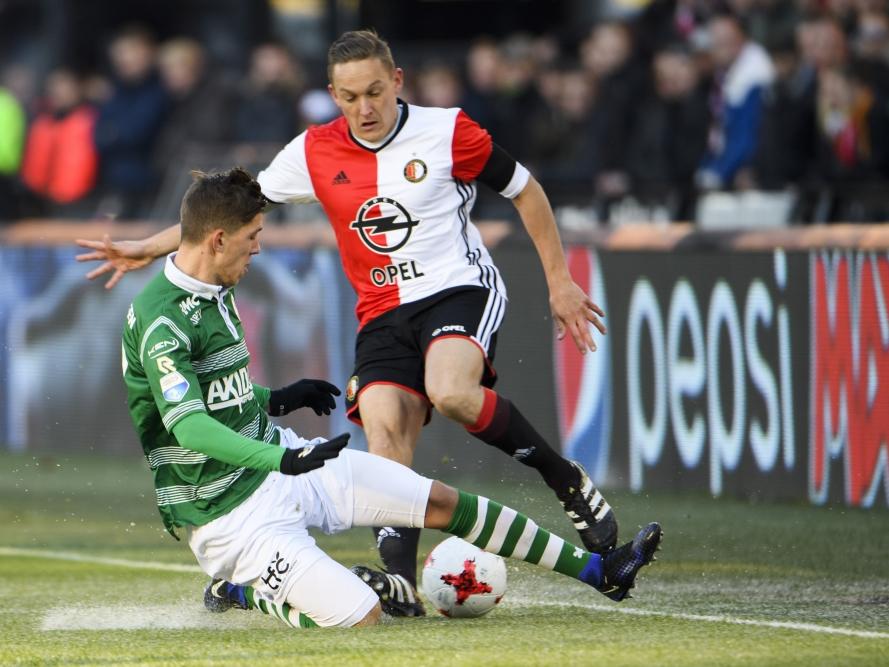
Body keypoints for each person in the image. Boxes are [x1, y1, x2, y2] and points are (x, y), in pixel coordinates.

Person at [77, 30, 617, 618]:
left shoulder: (449, 131)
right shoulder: (310, 153)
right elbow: (224, 217)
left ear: (398, 82)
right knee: (385, 436)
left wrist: (559, 281)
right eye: (352, 96)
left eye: (377, 92)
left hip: (455, 289)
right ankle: (400, 586)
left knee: (452, 392)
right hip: (382, 310)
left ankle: (565, 480)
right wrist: (146, 249)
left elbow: (526, 190)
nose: (366, 108)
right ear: (333, 94)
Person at [123, 165, 661, 629]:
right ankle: (238, 590)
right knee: (361, 617)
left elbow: (218, 394)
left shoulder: (217, 288)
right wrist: (282, 457)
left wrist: (277, 399)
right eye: (252, 237)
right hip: (225, 516)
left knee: (439, 502)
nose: (258, 248)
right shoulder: (164, 322)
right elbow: (190, 428)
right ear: (217, 239)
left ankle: (601, 572)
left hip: (278, 467)